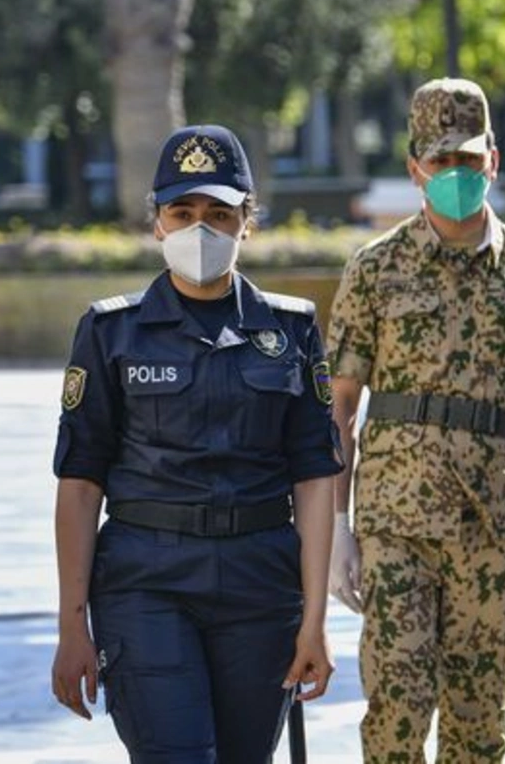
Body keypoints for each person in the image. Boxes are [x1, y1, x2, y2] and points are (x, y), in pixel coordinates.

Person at [51, 124, 341, 763]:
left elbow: (316, 476)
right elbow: (79, 483)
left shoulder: (290, 331)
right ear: (156, 221)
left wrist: (316, 621)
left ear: (248, 221)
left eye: (219, 213)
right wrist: (72, 622)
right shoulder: (110, 333)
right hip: (145, 582)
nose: (200, 229)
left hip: (260, 583)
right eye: (182, 212)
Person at [327, 77, 505, 762]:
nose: (456, 173)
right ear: (415, 166)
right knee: (397, 707)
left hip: (489, 529)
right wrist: (333, 528)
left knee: (479, 730)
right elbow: (339, 404)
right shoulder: (376, 269)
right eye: (440, 160)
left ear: (493, 162)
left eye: (469, 160)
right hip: (394, 527)